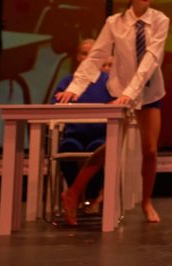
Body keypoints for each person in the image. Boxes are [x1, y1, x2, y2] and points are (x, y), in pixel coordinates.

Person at [55, 0, 168, 225]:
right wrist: (75, 87)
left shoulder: (160, 20)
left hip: (148, 90)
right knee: (111, 147)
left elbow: (151, 58)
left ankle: (147, 201)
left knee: (150, 150)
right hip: (121, 89)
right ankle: (73, 193)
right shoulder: (115, 22)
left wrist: (132, 92)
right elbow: (96, 56)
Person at [50, 39, 113, 212]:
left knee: (98, 151)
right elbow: (55, 104)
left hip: (100, 135)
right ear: (78, 57)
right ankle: (75, 193)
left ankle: (91, 195)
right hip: (74, 134)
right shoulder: (68, 81)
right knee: (67, 149)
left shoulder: (109, 81)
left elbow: (118, 103)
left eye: (92, 54)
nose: (88, 58)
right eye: (84, 53)